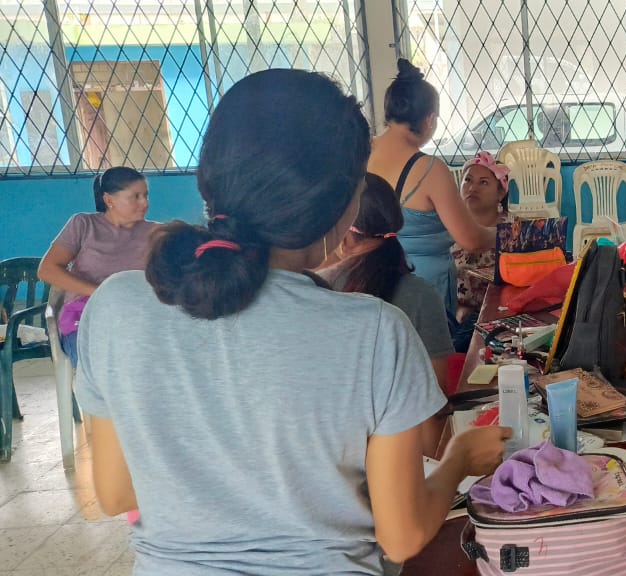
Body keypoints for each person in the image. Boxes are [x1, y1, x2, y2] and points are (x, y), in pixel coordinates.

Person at [76, 69, 508, 575]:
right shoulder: (374, 330)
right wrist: (458, 460)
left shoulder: (116, 306)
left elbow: (116, 493)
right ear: (344, 207)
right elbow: (402, 536)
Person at [317, 173, 454, 455]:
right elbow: (433, 412)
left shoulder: (316, 291)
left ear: (343, 235)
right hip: (401, 460)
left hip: (332, 456)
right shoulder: (422, 295)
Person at [368, 58, 495, 321]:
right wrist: (506, 234)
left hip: (369, 283)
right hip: (422, 290)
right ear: (429, 119)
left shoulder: (361, 152)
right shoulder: (429, 169)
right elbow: (470, 239)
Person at [38, 166, 160, 366]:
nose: (144, 203)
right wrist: (102, 293)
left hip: (137, 316)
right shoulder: (83, 225)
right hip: (86, 317)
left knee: (153, 359)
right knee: (105, 363)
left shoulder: (157, 233)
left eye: (146, 196)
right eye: (135, 197)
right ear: (109, 200)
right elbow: (48, 270)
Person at [451, 151, 510, 351]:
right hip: (455, 316)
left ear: (500, 194)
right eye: (467, 180)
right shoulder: (446, 230)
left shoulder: (515, 231)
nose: (473, 187)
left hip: (502, 316)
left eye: (483, 182)